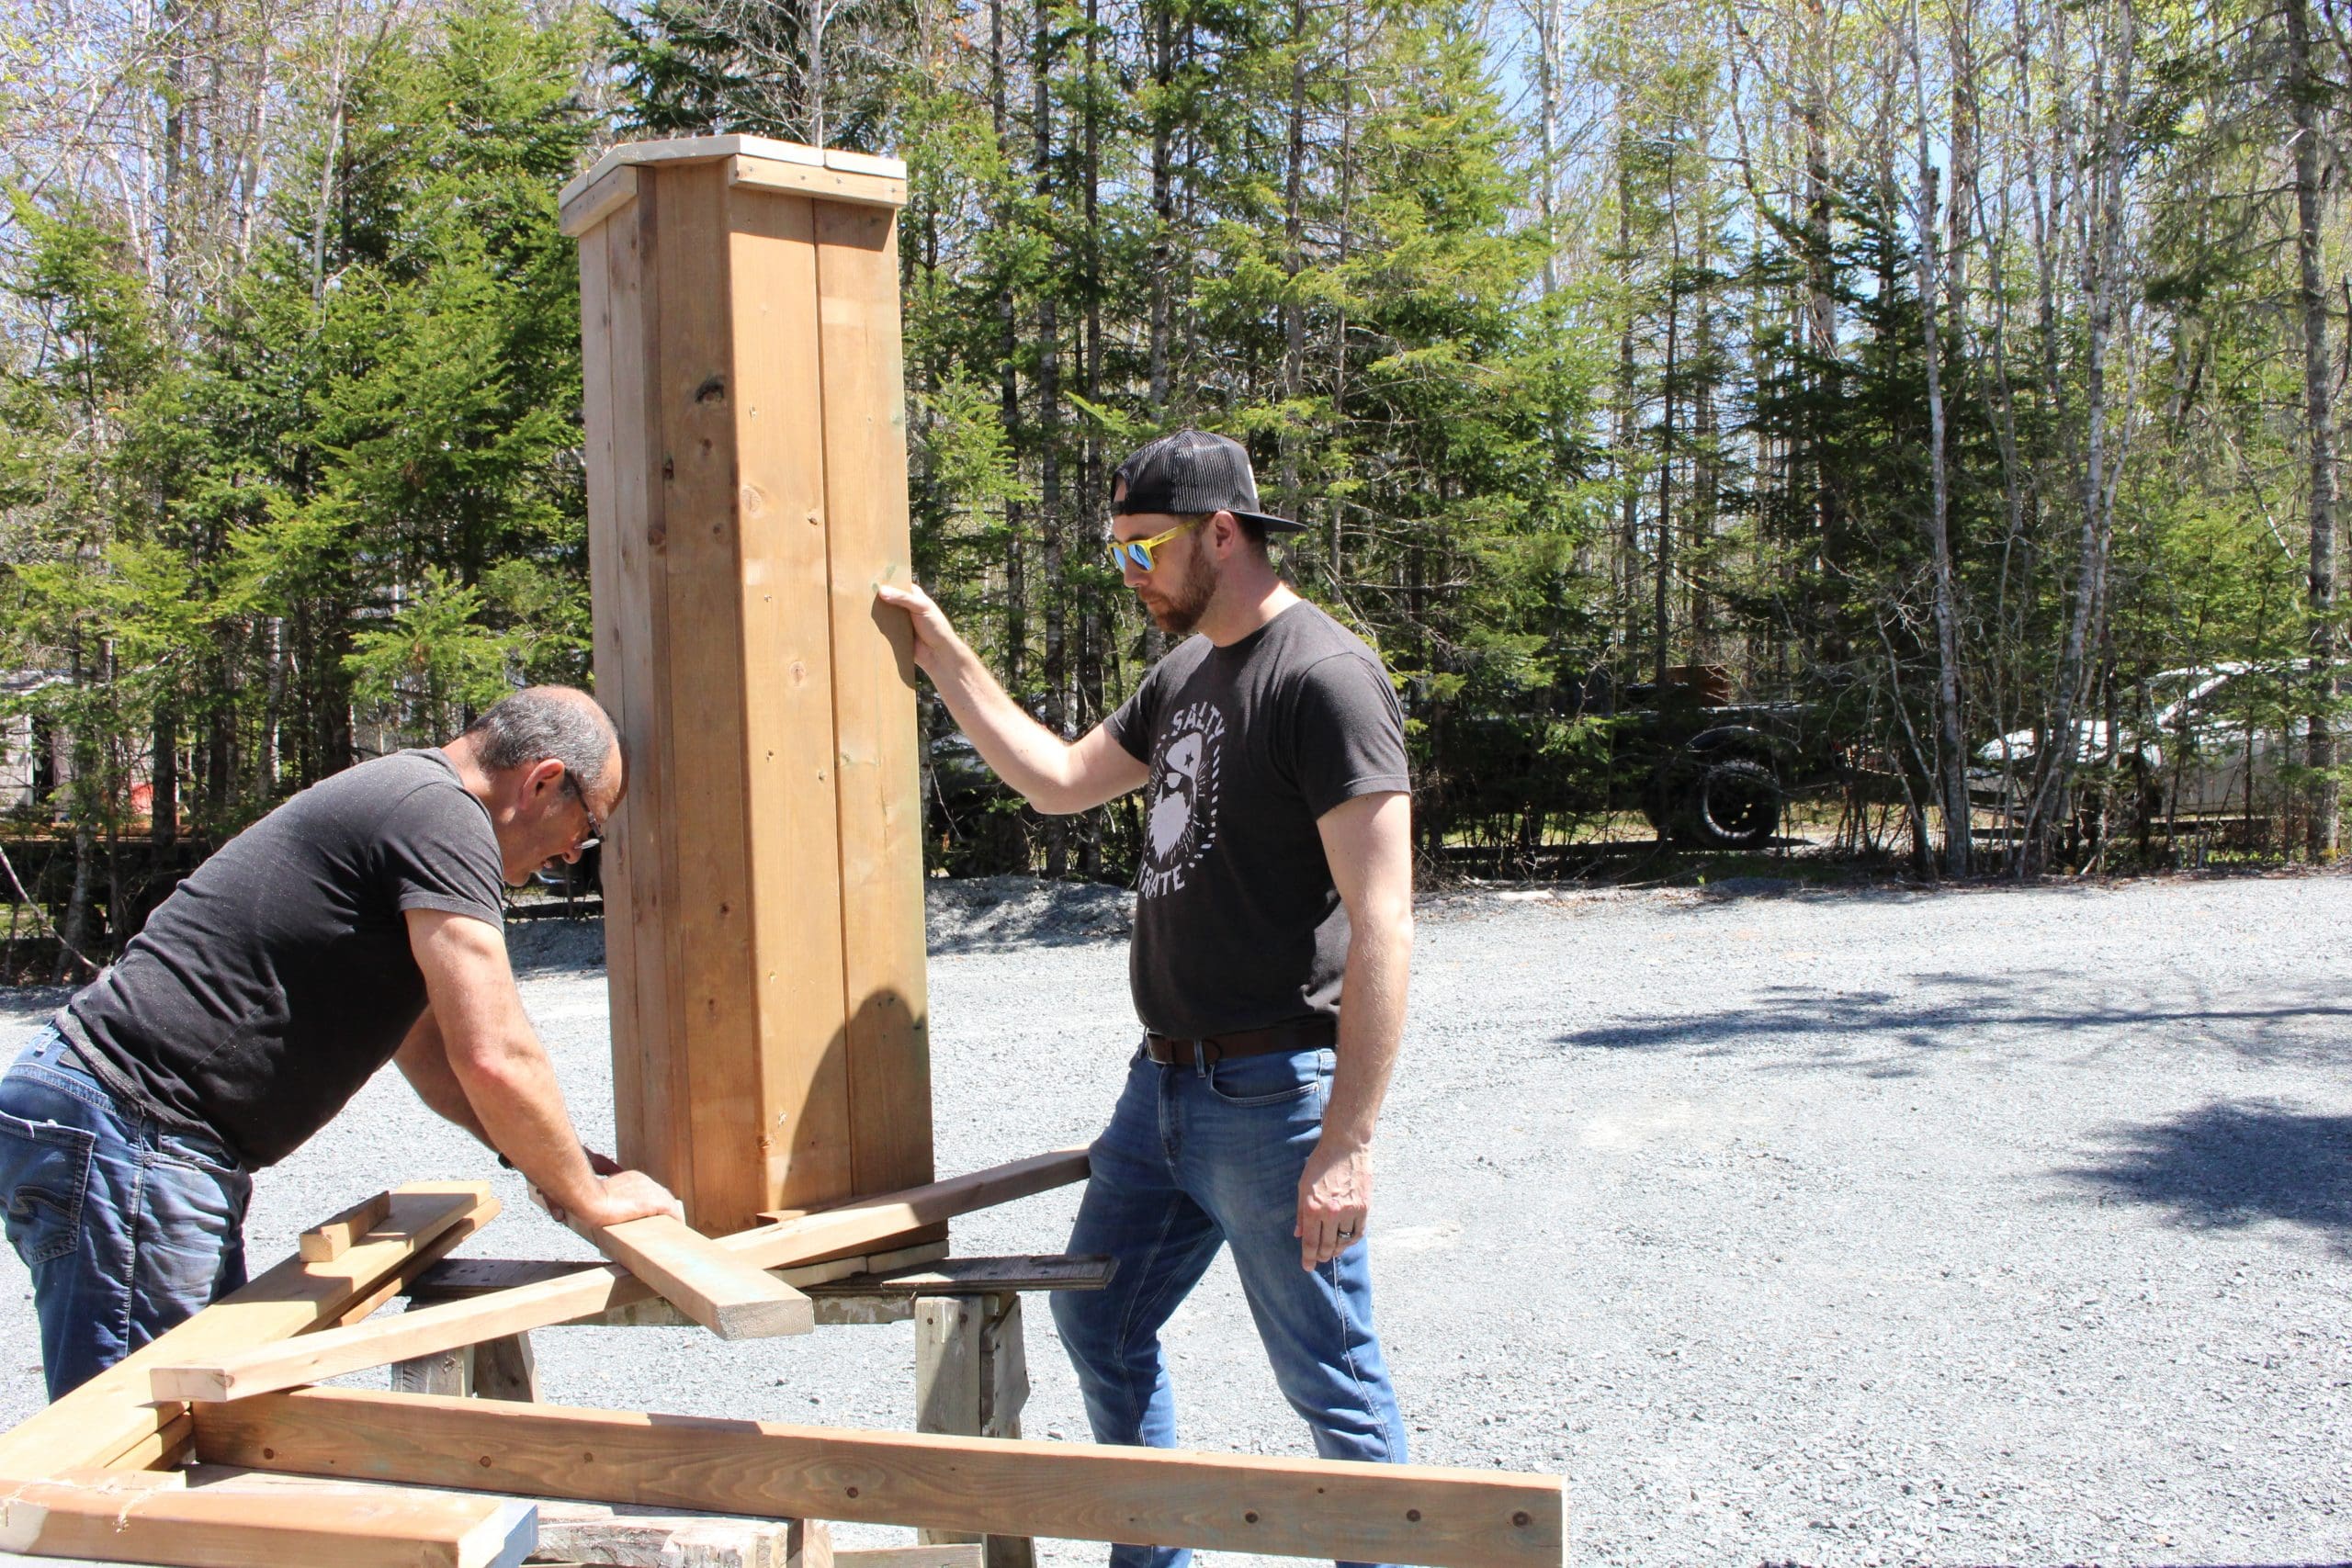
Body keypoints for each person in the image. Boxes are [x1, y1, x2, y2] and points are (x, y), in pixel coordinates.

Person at [879, 430, 1414, 1568]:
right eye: (1119, 552)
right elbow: (1060, 782)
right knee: (1100, 1319)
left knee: (1332, 1381)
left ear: (1224, 533)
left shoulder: (1322, 676)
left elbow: (1385, 921)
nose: (1131, 577)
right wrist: (942, 656)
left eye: (1144, 551)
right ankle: (1150, 1557)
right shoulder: (1182, 675)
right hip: (1160, 1091)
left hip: (1274, 1096)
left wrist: (1346, 1141)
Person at [0, 685, 681, 1397]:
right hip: (132, 1128)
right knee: (145, 1441)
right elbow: (495, 1053)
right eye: (589, 823)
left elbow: (432, 1055)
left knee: (192, 1418)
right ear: (544, 780)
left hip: (131, 1128)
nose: (576, 852)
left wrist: (557, 1165)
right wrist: (590, 1195)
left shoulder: (416, 803)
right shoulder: (444, 817)